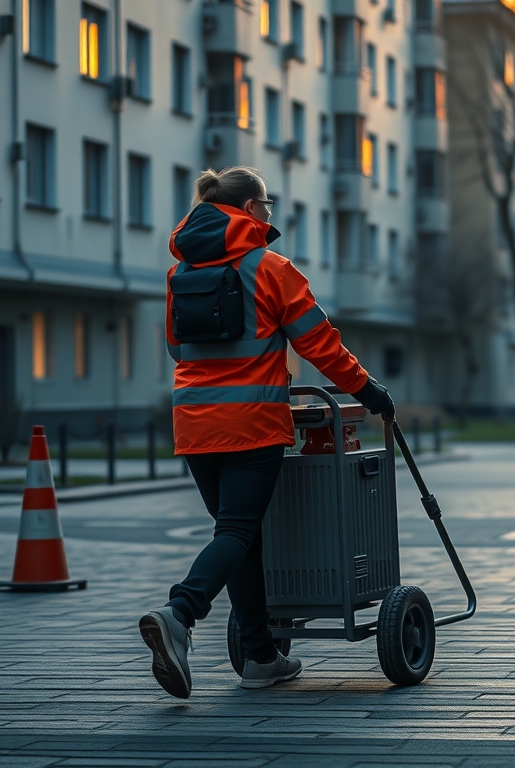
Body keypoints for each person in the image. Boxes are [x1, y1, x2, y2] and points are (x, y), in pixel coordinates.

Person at [139, 166, 395, 699]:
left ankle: (260, 656)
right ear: (252, 210)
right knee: (236, 531)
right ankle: (179, 613)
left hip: (193, 423)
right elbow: (318, 343)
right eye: (268, 206)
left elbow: (176, 349)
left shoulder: (179, 274)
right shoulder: (270, 267)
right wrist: (368, 390)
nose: (270, 215)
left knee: (241, 536)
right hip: (251, 422)